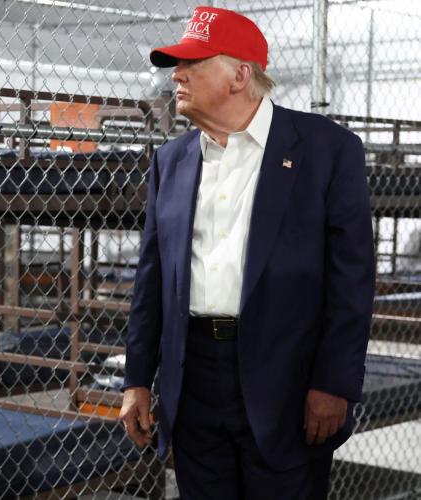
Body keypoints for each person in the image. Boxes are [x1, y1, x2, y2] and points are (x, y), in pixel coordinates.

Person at [119, 6, 375, 499]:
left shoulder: (327, 150)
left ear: (240, 75)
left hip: (288, 380)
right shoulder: (170, 162)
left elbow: (352, 280)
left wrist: (335, 384)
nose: (177, 75)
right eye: (176, 64)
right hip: (193, 380)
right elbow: (152, 281)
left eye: (192, 63)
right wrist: (137, 380)